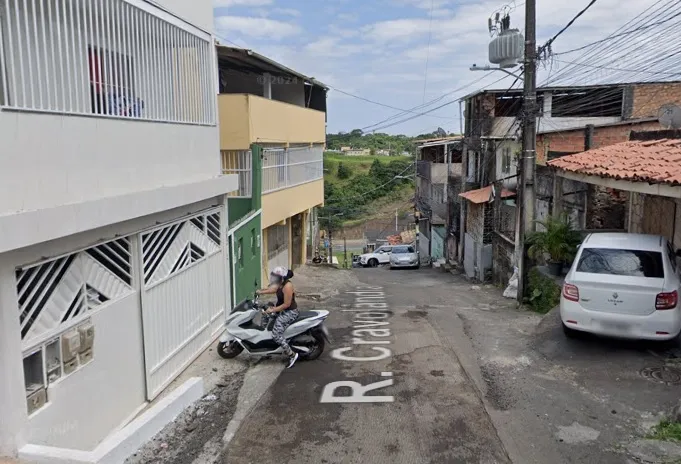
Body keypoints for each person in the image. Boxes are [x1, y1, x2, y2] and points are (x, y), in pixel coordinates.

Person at [256, 266, 300, 368]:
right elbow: (273, 289)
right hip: (283, 310)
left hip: (290, 312)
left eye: (276, 277)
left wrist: (272, 310)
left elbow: (286, 304)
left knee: (276, 334)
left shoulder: (288, 286)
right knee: (265, 316)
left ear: (282, 277)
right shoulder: (281, 284)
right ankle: (267, 347)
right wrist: (261, 292)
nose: (274, 278)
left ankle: (292, 355)